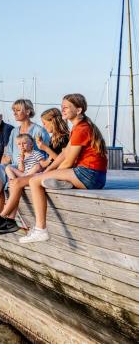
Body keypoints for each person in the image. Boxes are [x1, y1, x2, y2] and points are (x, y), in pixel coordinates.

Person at [19, 94, 107, 243]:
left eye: (66, 107)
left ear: (78, 110)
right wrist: (47, 171)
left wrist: (47, 175)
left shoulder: (81, 128)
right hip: (93, 175)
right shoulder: (79, 126)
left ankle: (41, 230)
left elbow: (69, 162)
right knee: (41, 178)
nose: (63, 110)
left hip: (88, 174)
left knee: (34, 181)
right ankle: (62, 182)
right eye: (62, 107)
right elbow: (64, 153)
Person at [0, 107, 70, 234]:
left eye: (45, 123)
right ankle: (8, 219)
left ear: (53, 121)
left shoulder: (63, 138)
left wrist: (44, 149)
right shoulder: (54, 138)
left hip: (55, 172)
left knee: (16, 183)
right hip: (49, 171)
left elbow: (58, 160)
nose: (44, 126)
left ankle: (2, 218)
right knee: (12, 181)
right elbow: (53, 161)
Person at [0, 99, 50, 228]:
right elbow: (8, 155)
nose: (14, 113)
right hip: (16, 167)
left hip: (31, 169)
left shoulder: (39, 131)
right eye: (14, 110)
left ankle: (6, 219)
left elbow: (44, 158)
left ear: (28, 111)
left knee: (7, 179)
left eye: (18, 110)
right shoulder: (14, 132)